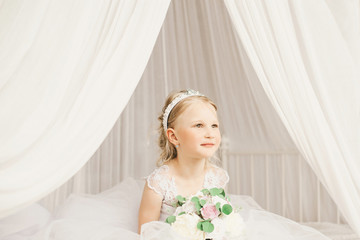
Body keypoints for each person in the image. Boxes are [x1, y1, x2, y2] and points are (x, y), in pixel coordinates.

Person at [1, 89, 332, 240]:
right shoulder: (159, 181)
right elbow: (146, 229)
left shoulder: (217, 175)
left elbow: (220, 212)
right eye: (199, 126)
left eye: (214, 125)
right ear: (174, 136)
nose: (211, 133)